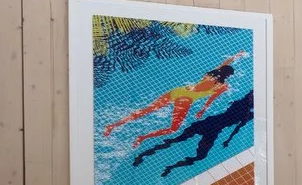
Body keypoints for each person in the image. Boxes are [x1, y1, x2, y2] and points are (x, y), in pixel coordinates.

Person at [103, 52, 247, 146]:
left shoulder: (212, 73)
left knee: (147, 110)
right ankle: (142, 138)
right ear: (229, 76)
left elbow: (226, 62)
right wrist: (202, 111)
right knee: (173, 129)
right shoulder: (222, 86)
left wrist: (237, 56)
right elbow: (211, 100)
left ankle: (112, 126)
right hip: (185, 100)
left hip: (178, 91)